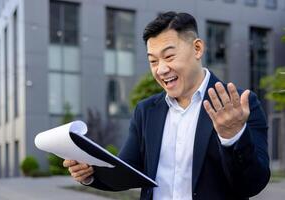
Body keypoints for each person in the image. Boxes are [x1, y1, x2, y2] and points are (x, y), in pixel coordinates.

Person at [63, 11, 270, 200]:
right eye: (153, 61)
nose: (161, 69)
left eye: (169, 56)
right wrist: (89, 172)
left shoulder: (238, 104)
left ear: (197, 49)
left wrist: (232, 137)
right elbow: (126, 171)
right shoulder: (146, 111)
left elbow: (252, 184)